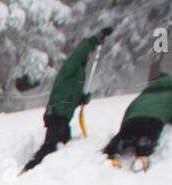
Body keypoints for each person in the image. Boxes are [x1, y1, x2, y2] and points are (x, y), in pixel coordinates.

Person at [21, 27, 112, 173]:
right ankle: (29, 169)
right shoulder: (71, 66)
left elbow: (69, 94)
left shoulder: (78, 72)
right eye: (89, 52)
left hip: (63, 115)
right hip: (56, 113)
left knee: (63, 144)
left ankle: (44, 171)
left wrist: (81, 99)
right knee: (50, 146)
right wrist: (97, 38)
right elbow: (80, 52)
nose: (90, 54)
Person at [102, 73, 172, 167]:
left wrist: (123, 128)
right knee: (147, 139)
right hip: (154, 122)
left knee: (123, 136)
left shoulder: (143, 95)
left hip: (132, 121)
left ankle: (111, 153)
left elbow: (129, 110)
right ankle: (142, 156)